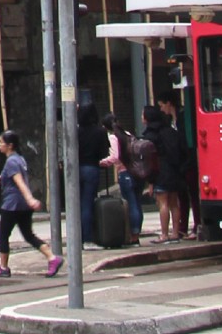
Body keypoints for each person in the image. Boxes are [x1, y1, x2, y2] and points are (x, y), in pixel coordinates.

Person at [0, 129, 64, 278]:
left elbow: (19, 181)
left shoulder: (11, 161)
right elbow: (12, 178)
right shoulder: (19, 159)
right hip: (23, 206)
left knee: (3, 235)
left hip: (12, 205)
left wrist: (30, 199)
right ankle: (52, 258)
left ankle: (3, 267)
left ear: (10, 145)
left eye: (1, 142)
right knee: (28, 235)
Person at [157, 94, 200, 238]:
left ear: (169, 103)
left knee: (192, 194)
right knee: (181, 197)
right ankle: (182, 227)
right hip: (179, 163)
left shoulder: (182, 118)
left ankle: (197, 225)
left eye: (162, 105)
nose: (161, 109)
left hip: (188, 161)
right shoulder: (171, 122)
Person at [142, 103, 182, 242]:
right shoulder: (170, 131)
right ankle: (176, 232)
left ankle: (164, 234)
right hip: (174, 170)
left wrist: (151, 181)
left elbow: (149, 159)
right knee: (174, 203)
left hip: (160, 172)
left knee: (162, 203)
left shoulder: (150, 135)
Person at [100, 111, 142, 242]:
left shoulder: (113, 137)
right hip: (136, 173)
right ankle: (137, 233)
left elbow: (115, 156)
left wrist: (103, 162)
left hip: (125, 173)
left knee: (130, 204)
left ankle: (133, 235)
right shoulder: (128, 134)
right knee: (137, 204)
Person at [77, 103, 108, 245]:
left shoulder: (76, 131)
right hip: (92, 168)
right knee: (87, 203)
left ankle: (78, 237)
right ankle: (88, 239)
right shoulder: (100, 132)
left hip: (76, 170)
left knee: (76, 204)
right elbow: (104, 153)